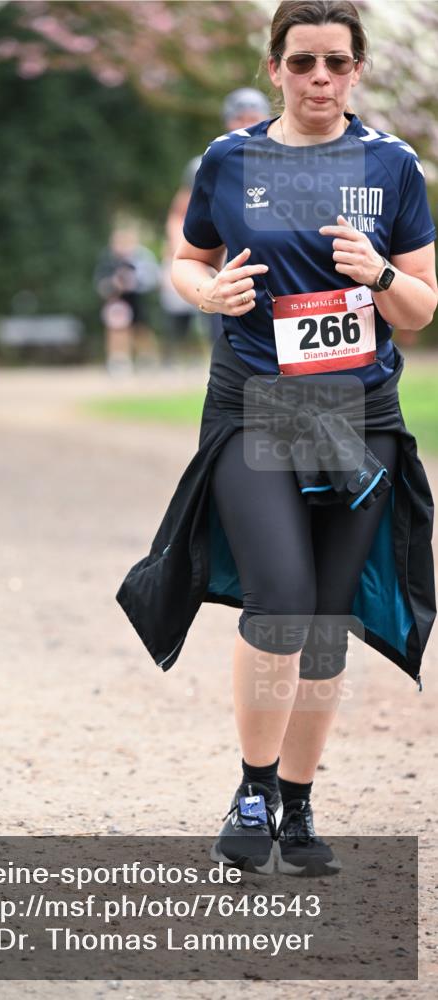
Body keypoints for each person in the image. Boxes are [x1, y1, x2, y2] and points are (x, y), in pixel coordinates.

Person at [117, 0, 436, 876]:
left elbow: (418, 305)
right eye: (301, 62)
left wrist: (378, 274)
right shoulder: (229, 159)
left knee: (326, 619)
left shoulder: (391, 165)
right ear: (274, 69)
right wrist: (203, 291)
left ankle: (297, 803)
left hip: (357, 417)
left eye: (335, 62)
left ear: (357, 69)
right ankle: (252, 789)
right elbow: (187, 257)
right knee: (282, 599)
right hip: (255, 405)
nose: (318, 79)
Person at [161, 89, 271, 363]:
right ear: (227, 121)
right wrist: (185, 258)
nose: (246, 124)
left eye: (253, 118)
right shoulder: (208, 162)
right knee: (222, 335)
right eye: (239, 118)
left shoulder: (283, 164)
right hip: (222, 265)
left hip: (266, 267)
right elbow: (178, 215)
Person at [94, 223, 160, 375]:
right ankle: (119, 360)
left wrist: (134, 282)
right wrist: (112, 284)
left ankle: (146, 358)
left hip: (136, 297)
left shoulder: (142, 257)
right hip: (116, 300)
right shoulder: (108, 259)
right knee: (116, 329)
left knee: (141, 328)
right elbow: (100, 282)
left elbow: (151, 278)